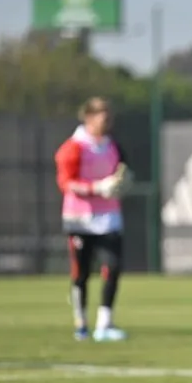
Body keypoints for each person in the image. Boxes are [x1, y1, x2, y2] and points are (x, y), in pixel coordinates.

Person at [54, 97, 132, 341]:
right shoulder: (73, 147)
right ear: (88, 117)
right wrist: (97, 188)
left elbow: (123, 173)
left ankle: (105, 324)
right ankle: (81, 323)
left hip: (109, 217)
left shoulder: (113, 146)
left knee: (114, 266)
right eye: (102, 116)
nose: (106, 121)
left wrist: (120, 185)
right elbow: (66, 183)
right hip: (80, 218)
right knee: (81, 272)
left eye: (109, 117)